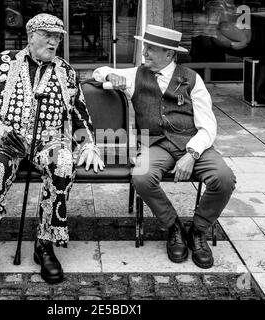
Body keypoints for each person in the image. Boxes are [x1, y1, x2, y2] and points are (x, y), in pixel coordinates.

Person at [0, 13, 104, 292]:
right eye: (48, 36)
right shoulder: (3, 62)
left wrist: (88, 143)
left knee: (64, 161)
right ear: (31, 36)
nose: (54, 42)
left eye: (58, 38)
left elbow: (80, 114)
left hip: (48, 140)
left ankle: (44, 244)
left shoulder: (66, 71)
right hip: (7, 138)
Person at [93, 25, 236, 269]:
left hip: (192, 143)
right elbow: (98, 71)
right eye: (146, 46)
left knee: (224, 179)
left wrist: (192, 154)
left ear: (169, 54)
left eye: (151, 49)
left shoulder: (192, 78)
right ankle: (174, 227)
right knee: (141, 175)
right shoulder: (136, 75)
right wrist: (109, 76)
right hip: (156, 145)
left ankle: (198, 230)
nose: (145, 52)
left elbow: (208, 126)